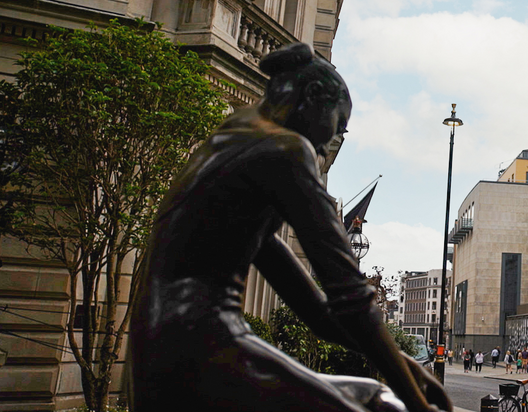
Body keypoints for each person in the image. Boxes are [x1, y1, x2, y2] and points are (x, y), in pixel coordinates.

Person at [126, 43, 449, 412]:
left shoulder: (235, 138)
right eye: (337, 126)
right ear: (312, 96)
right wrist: (416, 401)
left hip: (160, 348)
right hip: (201, 347)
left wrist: (406, 367)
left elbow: (319, 313)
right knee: (386, 407)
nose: (329, 143)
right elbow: (351, 297)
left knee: (374, 397)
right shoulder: (284, 150)